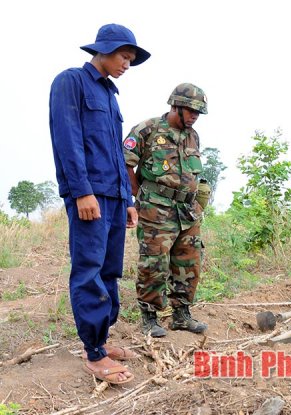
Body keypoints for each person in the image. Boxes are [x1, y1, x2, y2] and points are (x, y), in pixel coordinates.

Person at [49, 24, 151, 384]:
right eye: (125, 56)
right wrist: (81, 191)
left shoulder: (110, 95)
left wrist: (128, 199)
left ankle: (102, 340)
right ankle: (93, 353)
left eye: (131, 59)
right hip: (89, 195)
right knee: (89, 268)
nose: (127, 64)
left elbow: (117, 153)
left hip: (114, 195)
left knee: (109, 270)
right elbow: (68, 140)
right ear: (105, 50)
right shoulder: (71, 82)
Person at [124, 84, 209, 337]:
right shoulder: (147, 130)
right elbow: (125, 164)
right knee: (154, 262)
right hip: (156, 210)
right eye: (191, 110)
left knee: (189, 262)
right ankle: (149, 317)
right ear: (175, 105)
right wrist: (140, 196)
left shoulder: (193, 136)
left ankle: (181, 315)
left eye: (198, 112)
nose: (194, 116)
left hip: (188, 211)